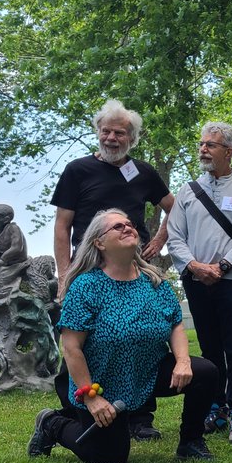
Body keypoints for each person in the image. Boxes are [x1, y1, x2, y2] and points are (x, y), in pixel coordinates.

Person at [27, 209, 218, 463]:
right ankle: (51, 423)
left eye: (130, 224)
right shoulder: (86, 286)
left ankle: (191, 442)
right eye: (118, 226)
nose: (128, 228)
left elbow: (175, 325)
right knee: (109, 456)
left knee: (204, 372)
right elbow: (71, 348)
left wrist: (183, 361)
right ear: (99, 243)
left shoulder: (154, 281)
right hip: (100, 384)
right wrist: (91, 397)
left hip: (147, 373)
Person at [51, 99, 175, 440]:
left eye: (119, 133)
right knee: (79, 337)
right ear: (97, 132)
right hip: (88, 264)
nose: (111, 138)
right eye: (105, 131)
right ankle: (74, 407)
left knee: (143, 334)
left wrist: (159, 239)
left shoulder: (144, 172)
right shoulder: (77, 170)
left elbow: (174, 207)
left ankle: (140, 417)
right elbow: (62, 227)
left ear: (131, 138)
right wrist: (64, 276)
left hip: (133, 264)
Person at [167, 122, 232, 444]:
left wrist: (222, 266)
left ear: (229, 151)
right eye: (201, 144)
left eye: (210, 145)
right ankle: (216, 406)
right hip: (197, 281)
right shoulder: (187, 190)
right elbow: (175, 236)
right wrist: (196, 266)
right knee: (209, 349)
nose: (203, 149)